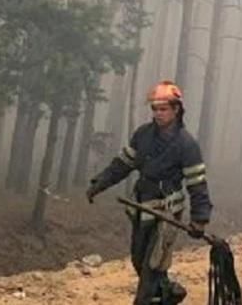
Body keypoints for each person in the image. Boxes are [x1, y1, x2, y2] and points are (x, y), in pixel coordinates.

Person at [87, 80, 213, 305]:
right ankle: (169, 293)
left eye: (163, 108)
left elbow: (197, 185)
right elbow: (122, 164)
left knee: (152, 266)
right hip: (141, 210)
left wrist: (199, 219)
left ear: (176, 109)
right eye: (155, 108)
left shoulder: (187, 145)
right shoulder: (142, 135)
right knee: (138, 259)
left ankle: (146, 300)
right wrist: (99, 183)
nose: (158, 113)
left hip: (167, 215)